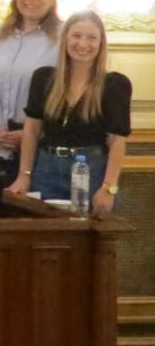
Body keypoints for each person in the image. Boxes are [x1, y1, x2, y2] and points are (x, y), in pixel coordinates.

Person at [16, 11, 131, 214]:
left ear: (101, 43)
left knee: (88, 240)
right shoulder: (43, 78)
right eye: (76, 35)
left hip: (92, 171)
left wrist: (109, 188)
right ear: (66, 39)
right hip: (46, 169)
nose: (83, 44)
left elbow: (117, 140)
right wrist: (24, 175)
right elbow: (31, 130)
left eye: (91, 37)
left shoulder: (114, 85)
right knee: (45, 239)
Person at [0, 0, 61, 186]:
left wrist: (31, 133)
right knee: (4, 216)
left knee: (36, 217)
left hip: (42, 150)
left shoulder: (63, 39)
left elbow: (67, 99)